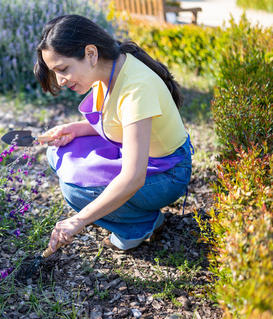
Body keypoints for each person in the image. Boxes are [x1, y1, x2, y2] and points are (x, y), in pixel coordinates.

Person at [34, 14, 193, 253]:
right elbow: (118, 124)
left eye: (63, 69)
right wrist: (72, 129)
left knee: (75, 189)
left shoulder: (136, 87)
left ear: (90, 54)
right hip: (139, 154)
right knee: (58, 151)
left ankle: (139, 226)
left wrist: (79, 220)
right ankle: (137, 215)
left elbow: (134, 177)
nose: (60, 80)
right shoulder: (110, 68)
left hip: (169, 173)